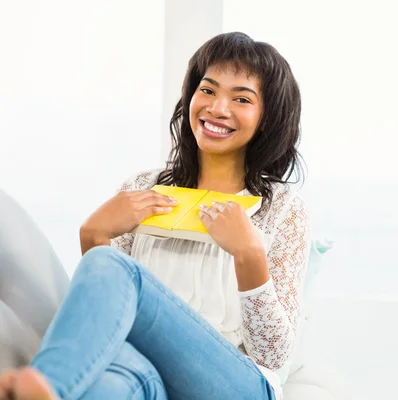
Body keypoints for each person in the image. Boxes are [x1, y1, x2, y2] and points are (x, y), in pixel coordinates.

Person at [0, 31, 309, 400]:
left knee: (114, 267)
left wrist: (249, 255)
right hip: (149, 371)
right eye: (207, 90)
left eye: (241, 98)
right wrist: (93, 234)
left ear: (267, 117)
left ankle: (47, 384)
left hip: (233, 384)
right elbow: (110, 313)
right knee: (113, 384)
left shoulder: (283, 208)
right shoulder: (144, 186)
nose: (217, 108)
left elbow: (272, 356)